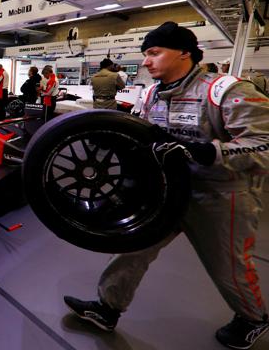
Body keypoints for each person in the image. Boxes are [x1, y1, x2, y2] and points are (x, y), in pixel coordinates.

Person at [63, 21, 269, 350]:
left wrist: (208, 151)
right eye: (146, 54)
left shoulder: (226, 90)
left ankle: (252, 318)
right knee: (132, 248)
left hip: (221, 195)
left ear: (185, 53)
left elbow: (265, 145)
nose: (146, 61)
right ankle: (107, 308)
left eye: (154, 53)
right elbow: (142, 138)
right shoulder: (150, 94)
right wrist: (112, 142)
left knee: (228, 265)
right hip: (167, 191)